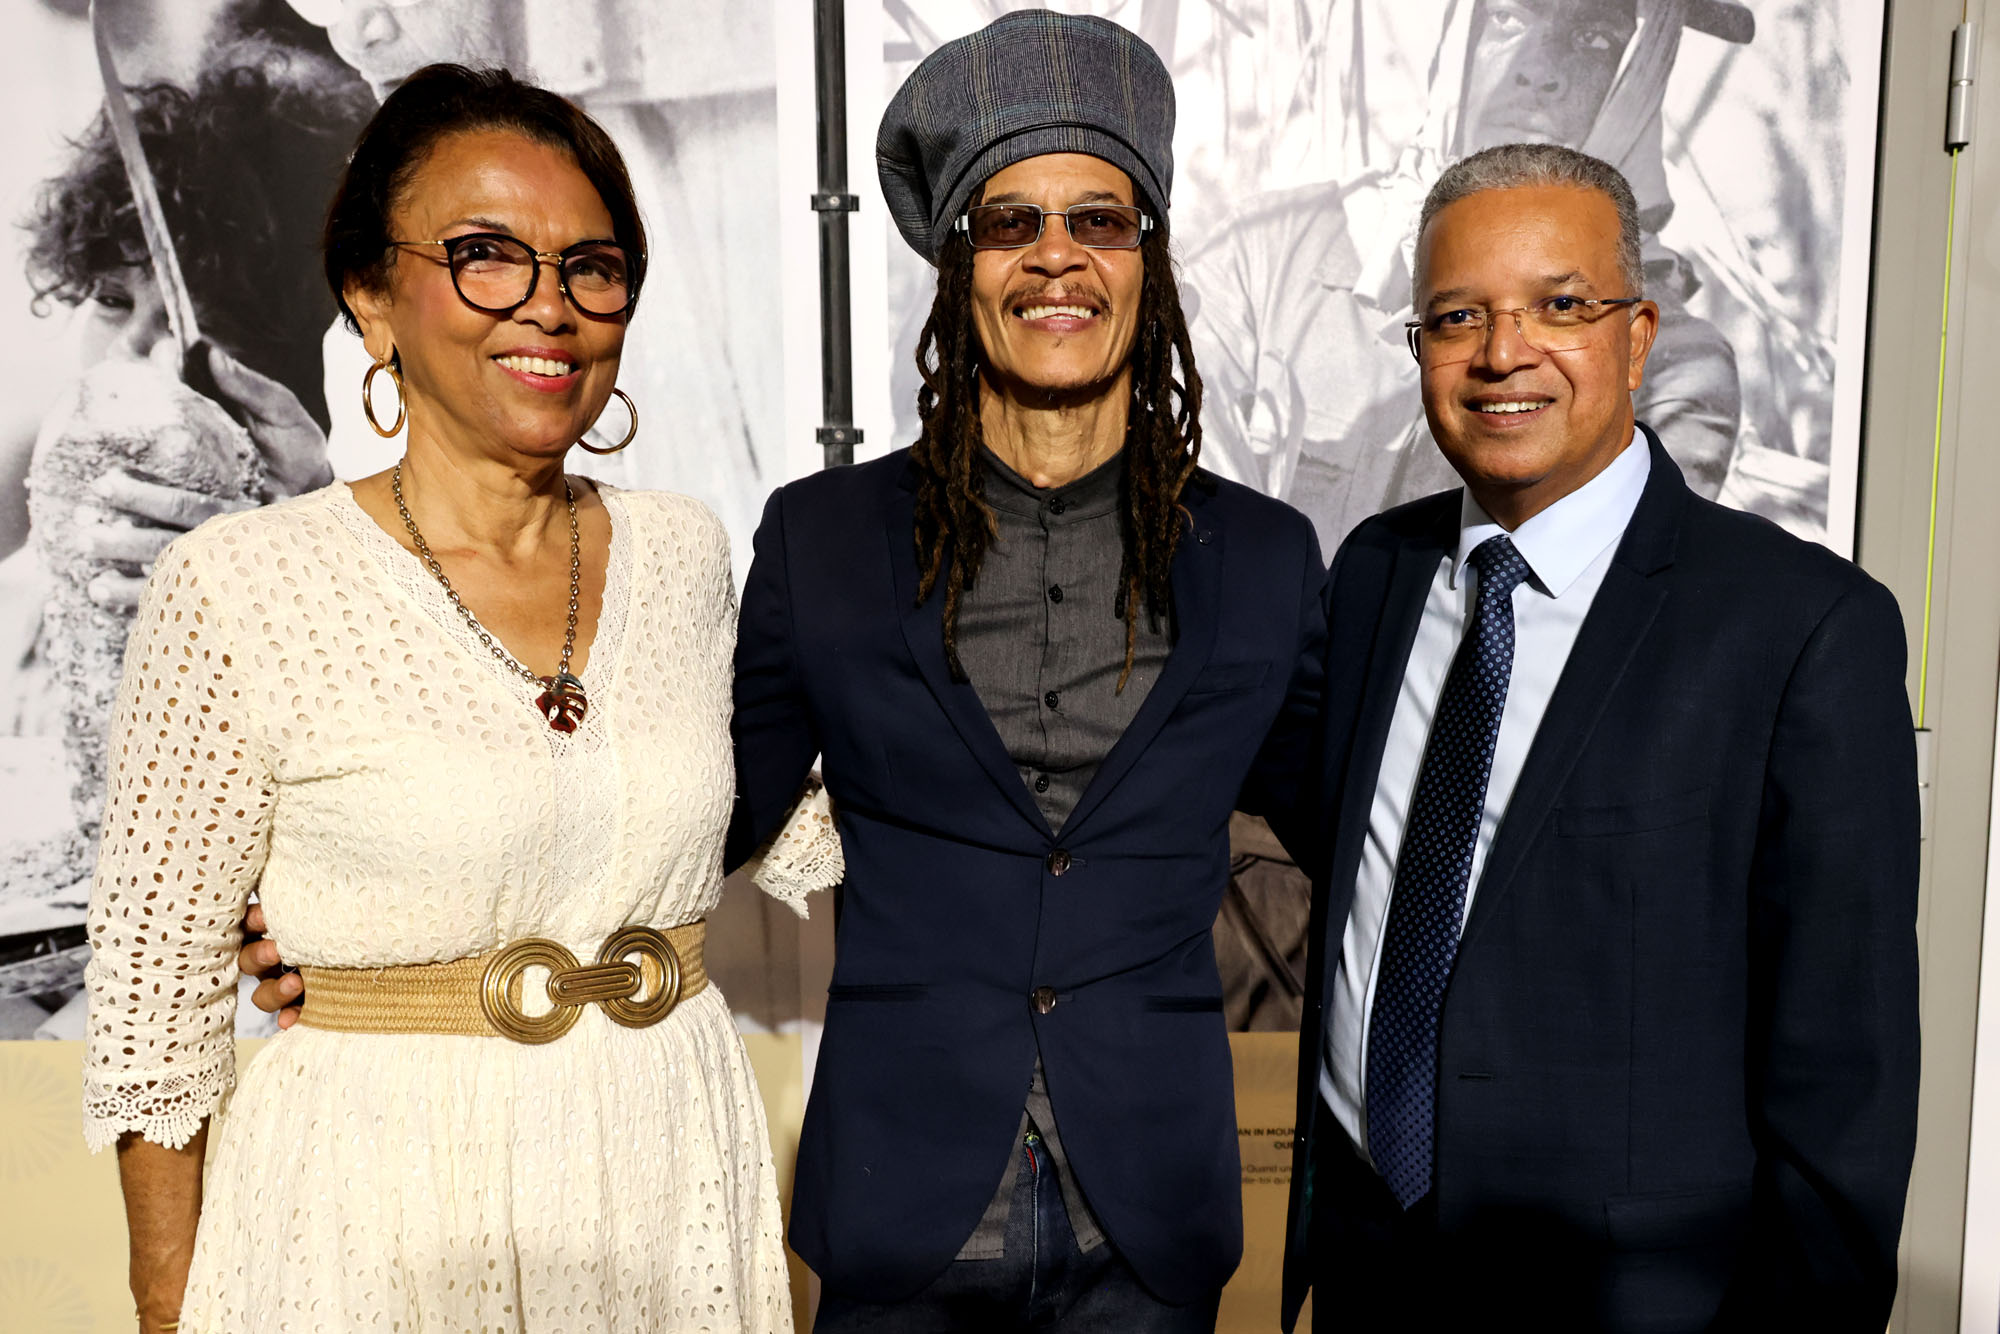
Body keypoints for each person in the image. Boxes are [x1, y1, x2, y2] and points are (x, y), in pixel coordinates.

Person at [83, 64, 820, 1333]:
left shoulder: (688, 550)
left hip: (662, 1173)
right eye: (486, 255)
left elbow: (788, 804)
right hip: (373, 1203)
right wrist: (168, 1295)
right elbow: (154, 1002)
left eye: (591, 265)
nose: (548, 305)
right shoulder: (240, 584)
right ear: (371, 299)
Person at [727, 10, 1325, 1329]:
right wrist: (386, 924)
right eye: (1010, 223)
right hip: (901, 1208)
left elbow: (1360, 840)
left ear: (1148, 257)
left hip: (1154, 1212)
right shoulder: (822, 541)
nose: (1057, 257)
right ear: (957, 263)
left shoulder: (1268, 558)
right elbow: (692, 821)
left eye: (1098, 221)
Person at [1281, 143, 1920, 1330]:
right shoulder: (1373, 572)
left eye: (1558, 306)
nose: (1500, 352)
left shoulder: (1801, 630)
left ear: (1636, 335)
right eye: (1454, 316)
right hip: (1370, 1274)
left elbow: (1844, 1080)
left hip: (1636, 1306)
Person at [1186, 0, 1755, 557]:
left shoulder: (1671, 364)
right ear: (1456, 40)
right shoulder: (1267, 253)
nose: (1537, 69)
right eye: (1507, 20)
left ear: (1640, 78)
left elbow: (1599, 603)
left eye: (1593, 40)